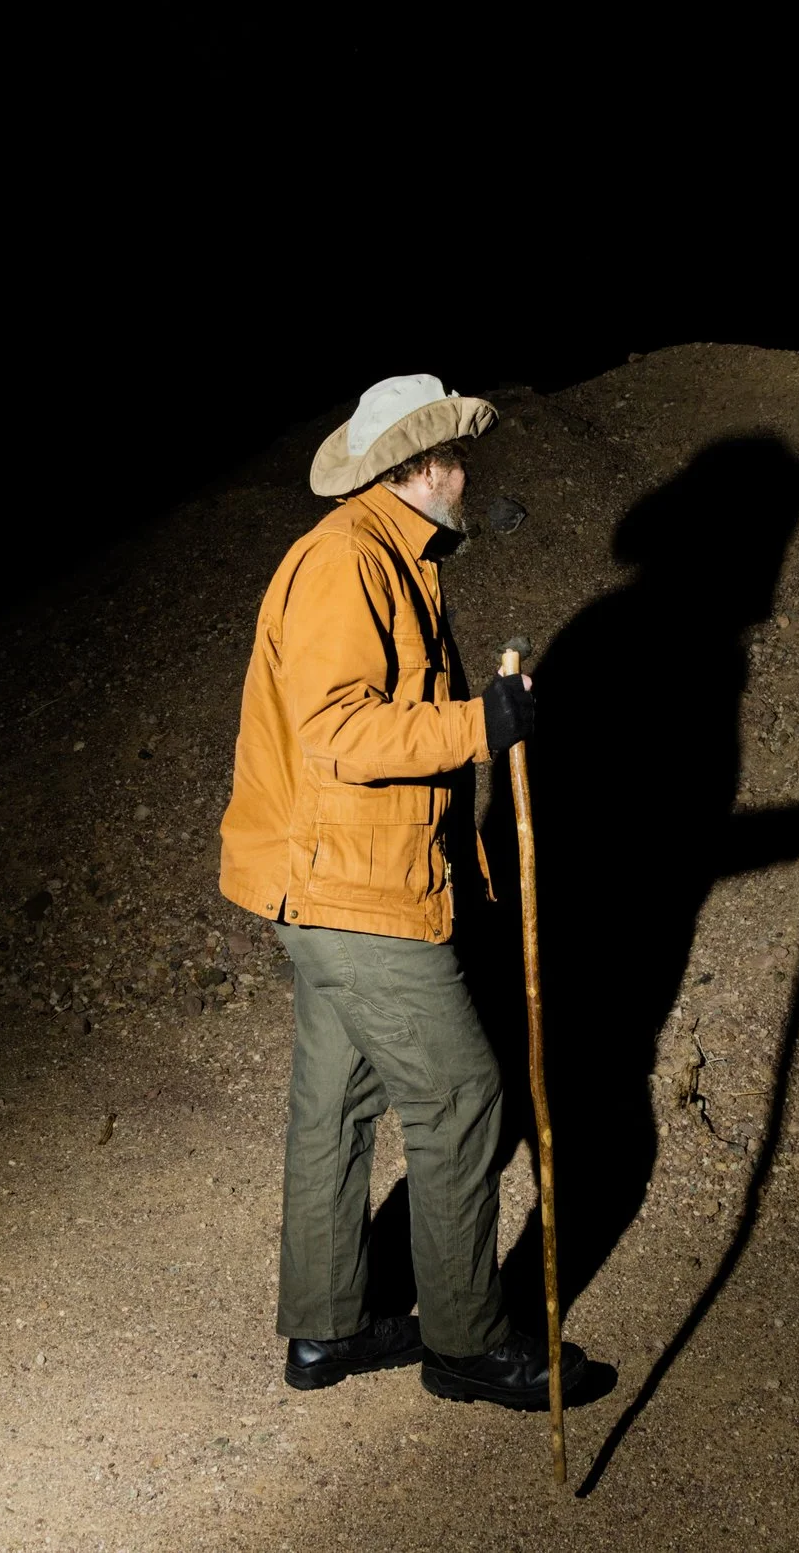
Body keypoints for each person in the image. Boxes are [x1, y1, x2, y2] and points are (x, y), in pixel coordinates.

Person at [218, 373, 590, 1409]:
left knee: (334, 1103)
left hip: (336, 880)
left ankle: (326, 1329)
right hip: (355, 890)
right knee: (462, 1098)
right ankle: (466, 1340)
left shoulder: (389, 556)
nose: (468, 476)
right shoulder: (347, 561)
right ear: (421, 466)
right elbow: (336, 727)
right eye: (457, 459)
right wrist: (482, 724)